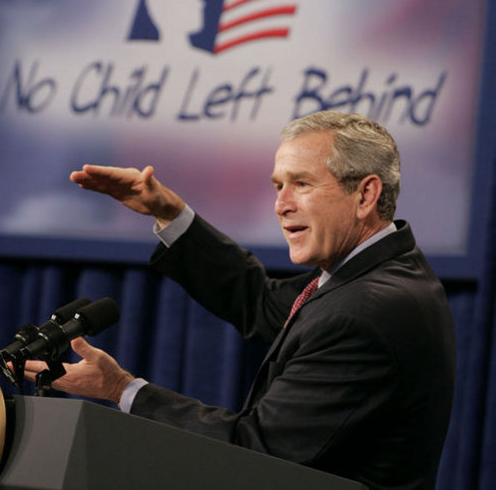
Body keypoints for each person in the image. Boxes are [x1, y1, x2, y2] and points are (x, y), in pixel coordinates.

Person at [23, 111, 455, 490]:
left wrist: (121, 389)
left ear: (365, 195)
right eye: (278, 185)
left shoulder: (366, 310)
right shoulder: (380, 272)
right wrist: (170, 213)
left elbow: (257, 450)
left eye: (301, 184)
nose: (280, 205)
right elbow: (260, 302)